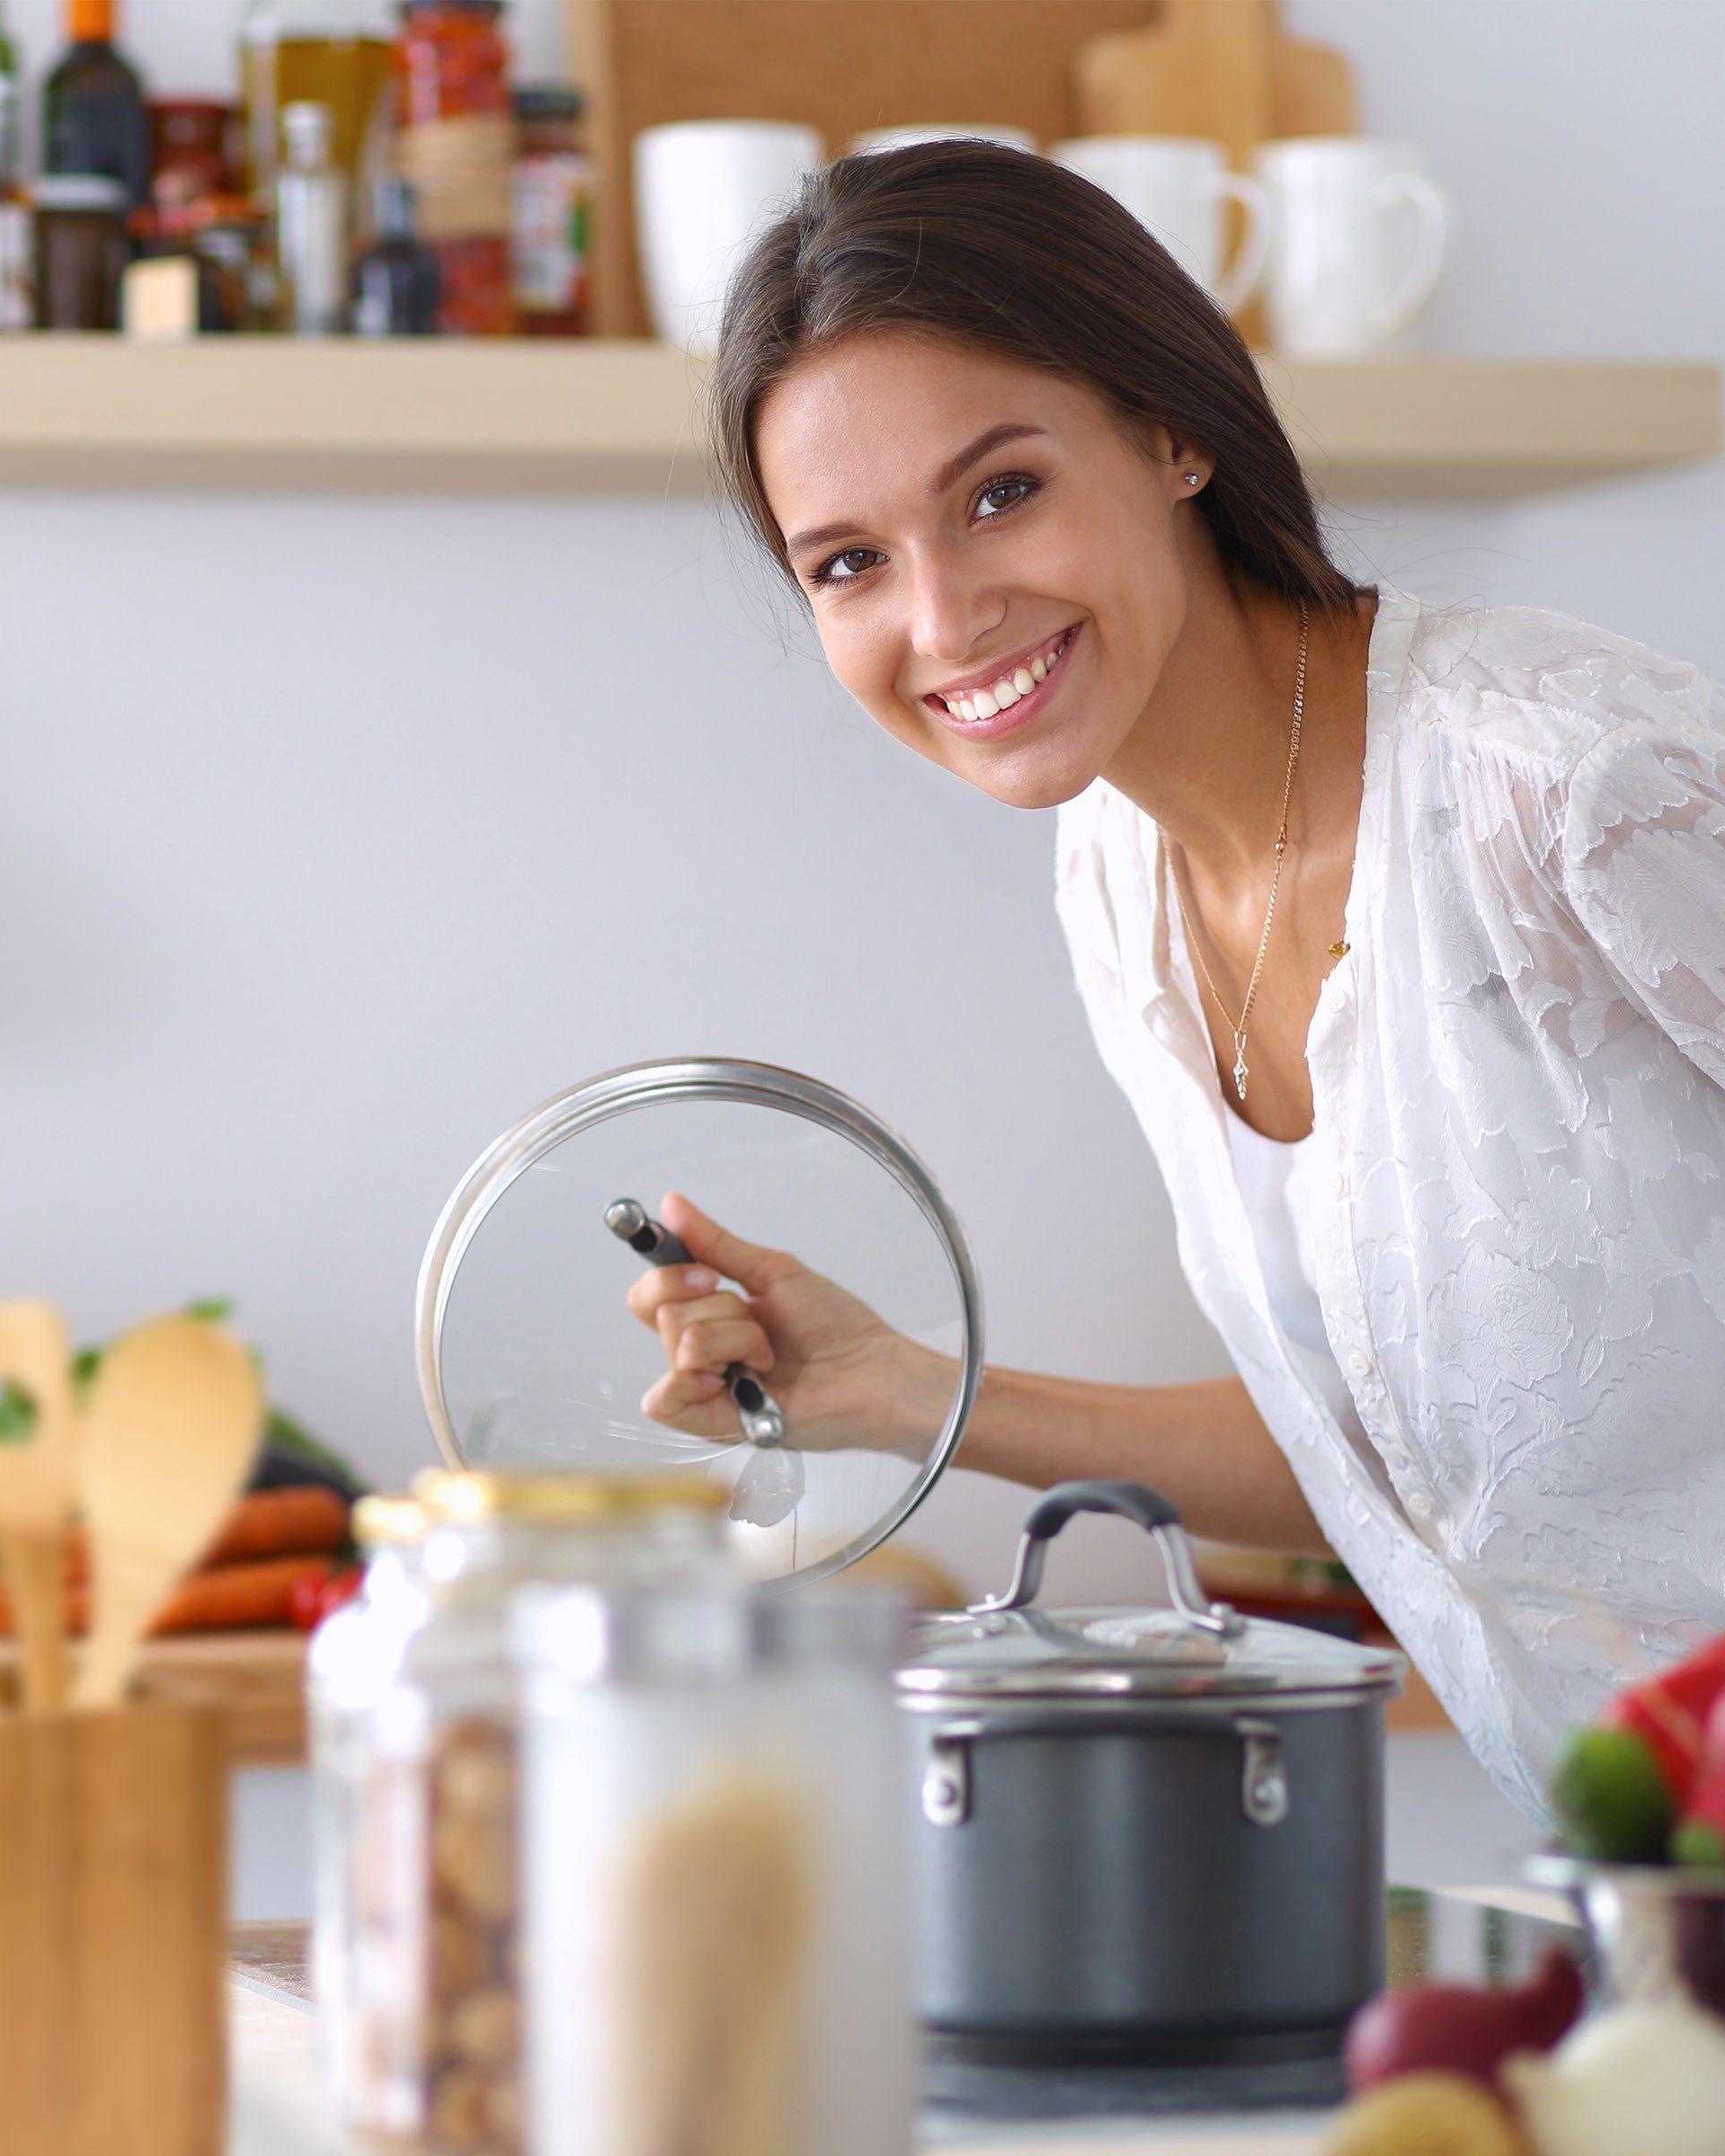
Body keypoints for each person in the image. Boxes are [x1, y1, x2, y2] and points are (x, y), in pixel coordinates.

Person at [626, 140, 1725, 1816]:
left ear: (1173, 429)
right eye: (847, 562)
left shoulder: (1567, 785)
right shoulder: (1119, 878)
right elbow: (1399, 1459)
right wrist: (902, 1393)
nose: (946, 617)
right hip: (1648, 1903)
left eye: (1001, 491)